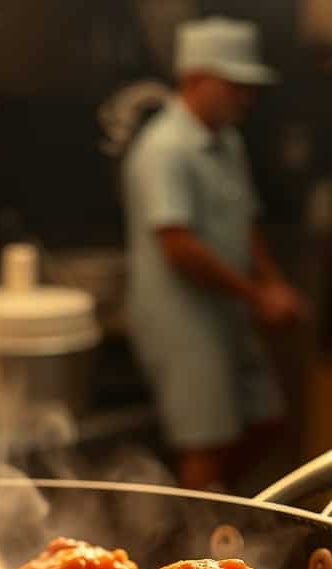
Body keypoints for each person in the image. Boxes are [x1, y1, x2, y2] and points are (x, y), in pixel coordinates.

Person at [122, 16, 307, 491]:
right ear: (194, 79)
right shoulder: (163, 149)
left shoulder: (227, 141)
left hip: (227, 309)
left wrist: (271, 284)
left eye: (248, 88)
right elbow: (178, 247)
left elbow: (245, 221)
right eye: (233, 86)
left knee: (266, 419)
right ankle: (200, 541)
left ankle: (215, 513)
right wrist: (256, 296)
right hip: (181, 318)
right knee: (203, 441)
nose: (245, 98)